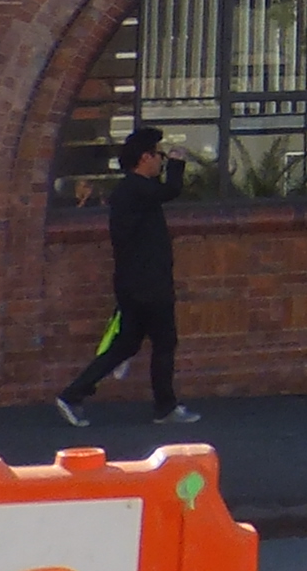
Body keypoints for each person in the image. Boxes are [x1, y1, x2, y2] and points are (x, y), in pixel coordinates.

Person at [57, 127, 200, 425]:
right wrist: (178, 162)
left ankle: (74, 394)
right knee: (164, 341)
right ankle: (165, 406)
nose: (161, 160)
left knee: (127, 343)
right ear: (145, 157)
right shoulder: (136, 189)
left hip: (134, 282)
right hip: (148, 284)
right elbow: (170, 191)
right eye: (158, 155)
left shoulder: (131, 191)